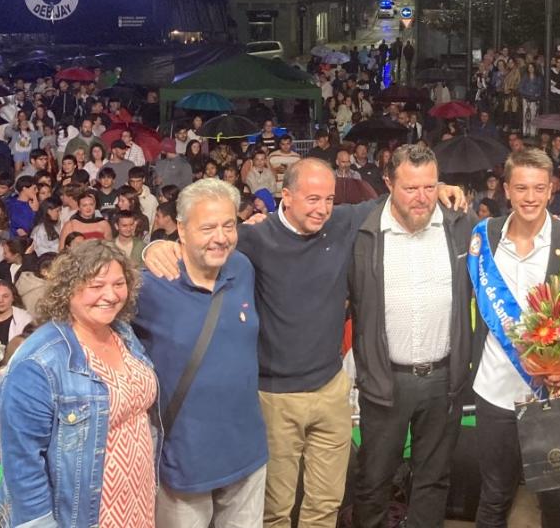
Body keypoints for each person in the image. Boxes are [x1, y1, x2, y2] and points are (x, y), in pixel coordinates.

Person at [143, 160, 466, 528]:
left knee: (325, 504)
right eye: (312, 199)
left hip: (331, 391)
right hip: (276, 397)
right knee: (276, 509)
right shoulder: (253, 238)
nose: (322, 208)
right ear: (287, 196)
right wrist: (154, 247)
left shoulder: (340, 223)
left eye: (328, 198)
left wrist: (437, 189)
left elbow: (402, 195)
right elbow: (203, 241)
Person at [348, 145, 476, 528]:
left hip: (443, 380)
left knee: (434, 480)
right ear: (388, 183)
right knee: (373, 481)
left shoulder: (460, 226)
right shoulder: (361, 229)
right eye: (410, 188)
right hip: (385, 380)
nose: (421, 197)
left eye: (429, 186)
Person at [0, 240, 157, 528]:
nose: (111, 294)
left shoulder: (123, 333)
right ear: (68, 288)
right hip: (84, 515)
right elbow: (22, 463)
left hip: (138, 504)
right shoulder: (39, 361)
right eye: (96, 285)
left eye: (119, 283)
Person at [132, 179, 267, 527]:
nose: (220, 237)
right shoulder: (150, 287)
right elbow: (89, 287)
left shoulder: (242, 268)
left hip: (247, 455)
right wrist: (148, 249)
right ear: (181, 229)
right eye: (207, 227)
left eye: (228, 225)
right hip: (183, 465)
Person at [471, 146, 560, 528]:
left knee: (558, 504)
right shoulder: (483, 238)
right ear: (506, 189)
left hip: (551, 395)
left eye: (538, 188)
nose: (530, 197)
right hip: (494, 392)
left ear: (551, 190)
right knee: (493, 497)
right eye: (521, 188)